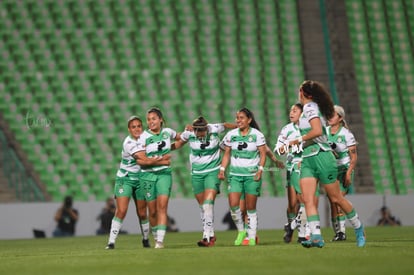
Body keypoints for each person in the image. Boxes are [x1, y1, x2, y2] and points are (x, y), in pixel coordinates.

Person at [289, 80, 365, 248]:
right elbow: (315, 134)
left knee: (336, 198)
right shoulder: (310, 109)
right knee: (307, 199)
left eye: (299, 90)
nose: (298, 93)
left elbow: (316, 131)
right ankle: (316, 236)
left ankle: (359, 228)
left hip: (322, 156)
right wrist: (299, 146)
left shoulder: (310, 108)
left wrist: (297, 139)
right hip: (308, 159)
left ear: (304, 94)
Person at [106, 116, 170, 250]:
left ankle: (146, 239)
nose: (137, 129)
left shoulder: (145, 139)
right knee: (122, 210)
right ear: (129, 129)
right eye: (133, 127)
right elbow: (143, 159)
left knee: (142, 212)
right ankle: (111, 242)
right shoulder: (128, 142)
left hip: (141, 178)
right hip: (126, 178)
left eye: (139, 126)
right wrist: (162, 161)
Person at [172, 116, 237, 247]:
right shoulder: (189, 133)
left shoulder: (214, 128)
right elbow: (178, 143)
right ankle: (211, 234)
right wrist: (161, 150)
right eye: (196, 130)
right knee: (203, 206)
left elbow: (226, 124)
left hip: (213, 172)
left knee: (208, 204)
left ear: (206, 128)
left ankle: (206, 237)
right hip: (196, 174)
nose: (199, 133)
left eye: (201, 130)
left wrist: (239, 127)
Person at [218, 107, 267, 246]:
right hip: (235, 175)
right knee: (234, 205)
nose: (238, 120)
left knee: (251, 208)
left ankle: (251, 237)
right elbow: (226, 153)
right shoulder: (231, 135)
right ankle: (241, 231)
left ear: (249, 120)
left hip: (252, 176)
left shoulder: (257, 135)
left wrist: (260, 170)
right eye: (237, 118)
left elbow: (263, 154)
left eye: (241, 118)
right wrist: (222, 169)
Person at [135, 107, 181, 249]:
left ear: (161, 119)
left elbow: (180, 138)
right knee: (152, 210)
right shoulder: (143, 137)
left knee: (162, 207)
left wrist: (188, 133)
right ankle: (155, 236)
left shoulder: (168, 132)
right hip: (147, 175)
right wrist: (162, 160)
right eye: (148, 120)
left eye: (153, 119)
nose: (150, 122)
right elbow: (140, 160)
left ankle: (159, 241)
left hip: (164, 174)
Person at [275, 103, 311, 243]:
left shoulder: (309, 128)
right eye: (290, 110)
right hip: (291, 167)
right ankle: (291, 227)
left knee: (304, 199)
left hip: (306, 165)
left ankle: (302, 232)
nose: (291, 113)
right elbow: (278, 148)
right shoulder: (287, 129)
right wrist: (284, 148)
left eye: (295, 111)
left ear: (302, 114)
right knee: (292, 203)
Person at [327, 105, 358, 241]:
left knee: (338, 199)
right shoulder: (324, 131)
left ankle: (343, 232)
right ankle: (338, 232)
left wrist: (348, 173)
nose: (330, 117)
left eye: (333, 115)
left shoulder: (346, 134)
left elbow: (354, 157)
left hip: (344, 168)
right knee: (333, 201)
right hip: (331, 169)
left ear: (340, 118)